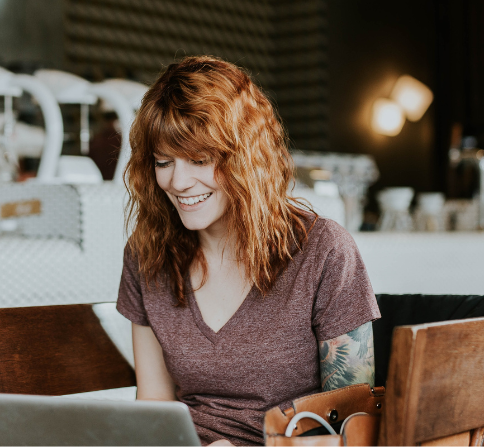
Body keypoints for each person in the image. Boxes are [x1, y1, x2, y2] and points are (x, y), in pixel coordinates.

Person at [116, 56, 380, 446]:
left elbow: (357, 430)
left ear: (245, 158)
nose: (178, 181)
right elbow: (153, 408)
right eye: (163, 161)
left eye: (200, 160)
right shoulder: (147, 255)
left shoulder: (324, 251)